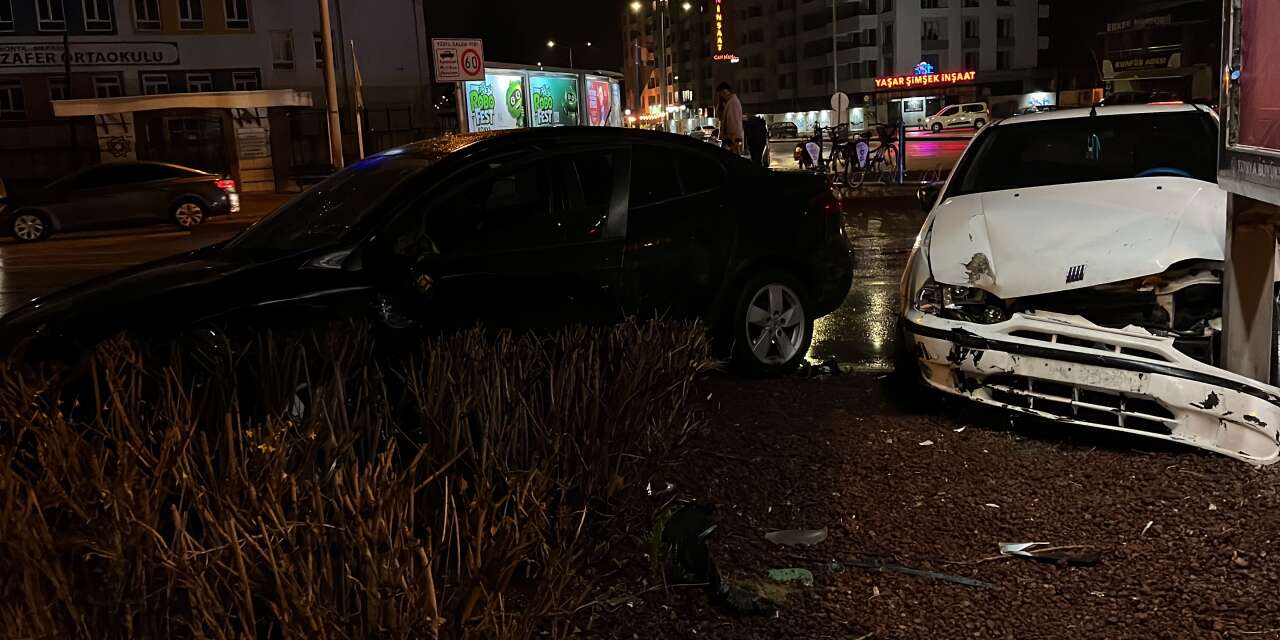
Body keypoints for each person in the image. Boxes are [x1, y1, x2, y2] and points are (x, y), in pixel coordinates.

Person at [716, 82, 744, 155]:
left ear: (724, 92)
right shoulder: (729, 103)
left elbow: (733, 122)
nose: (719, 97)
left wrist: (731, 140)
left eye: (720, 94)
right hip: (731, 139)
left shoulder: (732, 103)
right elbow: (721, 117)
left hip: (731, 140)